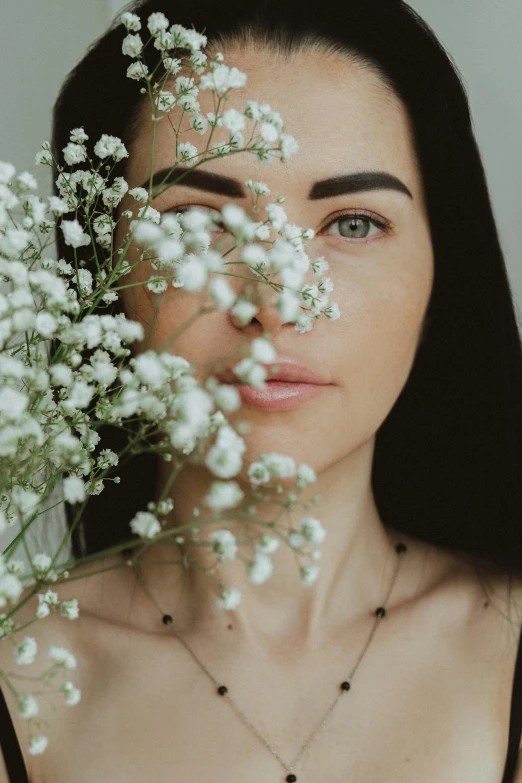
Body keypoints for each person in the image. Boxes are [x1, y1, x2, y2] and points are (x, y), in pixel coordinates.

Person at [2, 0, 522, 780]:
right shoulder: (20, 670)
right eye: (198, 222)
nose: (275, 303)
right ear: (102, 271)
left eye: (351, 224)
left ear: (441, 274)